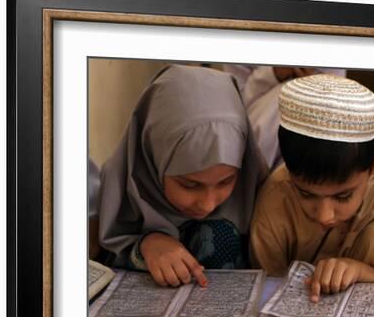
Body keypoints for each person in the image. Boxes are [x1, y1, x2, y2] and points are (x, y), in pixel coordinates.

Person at [249, 74, 374, 302]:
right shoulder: (275, 197)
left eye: (343, 196)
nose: (324, 216)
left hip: (373, 313)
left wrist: (362, 272)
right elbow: (266, 293)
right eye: (305, 193)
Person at [98, 64, 268, 287]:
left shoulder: (263, 194)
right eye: (190, 185)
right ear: (152, 156)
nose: (207, 205)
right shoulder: (118, 189)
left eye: (226, 181)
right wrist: (147, 244)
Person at [224, 64, 346, 169]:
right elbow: (236, 103)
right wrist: (274, 73)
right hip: (257, 136)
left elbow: (338, 99)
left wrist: (318, 86)